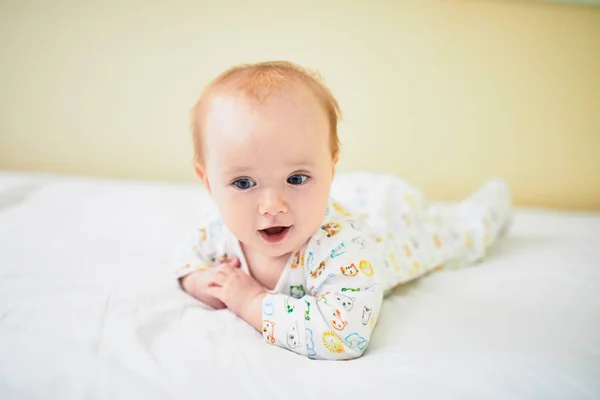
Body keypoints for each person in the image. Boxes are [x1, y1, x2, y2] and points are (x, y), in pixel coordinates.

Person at [174, 61, 512, 360]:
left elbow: (343, 336)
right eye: (244, 183)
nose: (273, 206)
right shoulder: (218, 224)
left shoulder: (344, 249)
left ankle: (490, 206)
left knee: (457, 236)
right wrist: (198, 281)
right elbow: (189, 258)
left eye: (296, 178)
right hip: (356, 197)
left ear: (331, 167)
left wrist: (250, 302)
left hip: (394, 220)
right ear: (208, 183)